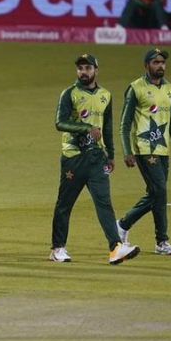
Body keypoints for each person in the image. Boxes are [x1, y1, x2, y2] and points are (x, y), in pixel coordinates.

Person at [49, 54, 140, 265]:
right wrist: (86, 127)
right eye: (80, 68)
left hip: (97, 159)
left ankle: (115, 248)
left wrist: (111, 154)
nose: (83, 72)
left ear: (96, 71)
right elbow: (59, 123)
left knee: (104, 203)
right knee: (65, 204)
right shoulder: (69, 94)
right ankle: (57, 248)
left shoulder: (105, 95)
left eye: (88, 68)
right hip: (74, 158)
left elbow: (107, 127)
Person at [116, 48, 171, 255]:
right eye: (155, 62)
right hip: (144, 148)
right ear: (146, 66)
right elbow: (124, 123)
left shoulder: (169, 89)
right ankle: (132, 228)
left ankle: (155, 240)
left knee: (157, 194)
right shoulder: (136, 89)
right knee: (160, 192)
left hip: (162, 149)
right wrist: (127, 151)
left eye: (162, 62)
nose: (160, 66)